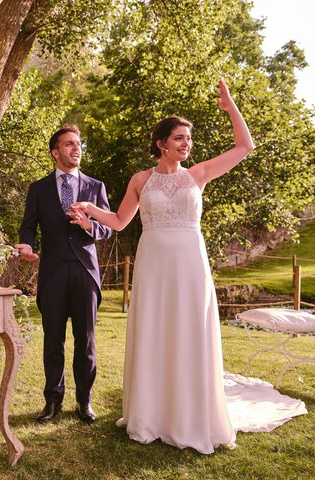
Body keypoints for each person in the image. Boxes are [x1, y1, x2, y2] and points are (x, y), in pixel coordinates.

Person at [70, 80, 305, 453]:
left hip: (190, 266)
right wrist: (88, 210)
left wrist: (231, 109)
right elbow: (117, 221)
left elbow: (246, 147)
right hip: (153, 266)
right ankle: (151, 414)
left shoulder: (198, 175)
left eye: (188, 139)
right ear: (162, 143)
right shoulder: (140, 180)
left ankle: (191, 414)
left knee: (189, 329)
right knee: (155, 329)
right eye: (179, 138)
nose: (186, 144)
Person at [16, 125, 113, 423]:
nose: (76, 148)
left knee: (86, 341)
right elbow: (28, 225)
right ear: (55, 152)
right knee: (52, 340)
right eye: (69, 144)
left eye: (78, 143)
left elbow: (108, 227)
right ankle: (53, 401)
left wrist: (88, 225)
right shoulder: (39, 188)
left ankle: (84, 401)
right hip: (52, 272)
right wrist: (28, 245)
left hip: (85, 271)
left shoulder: (95, 187)